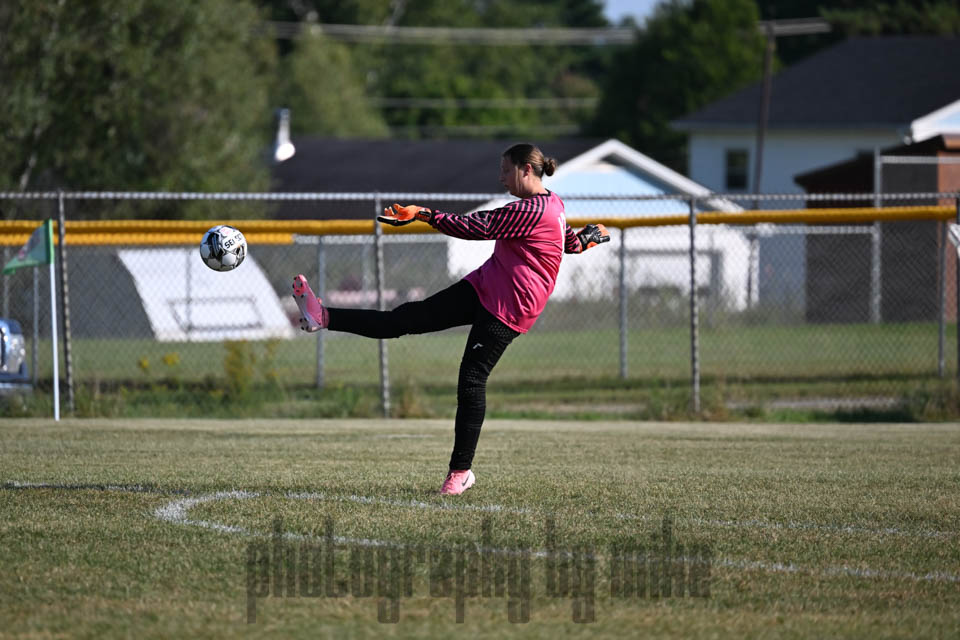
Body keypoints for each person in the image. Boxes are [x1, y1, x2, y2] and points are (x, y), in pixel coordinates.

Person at [292, 143, 610, 495]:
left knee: (472, 379)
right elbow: (571, 245)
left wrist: (424, 213)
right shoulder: (553, 203)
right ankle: (323, 316)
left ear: (525, 170)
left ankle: (461, 472)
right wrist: (590, 238)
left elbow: (472, 227)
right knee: (405, 319)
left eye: (505, 170)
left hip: (511, 306)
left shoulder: (532, 210)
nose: (501, 178)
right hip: (485, 285)